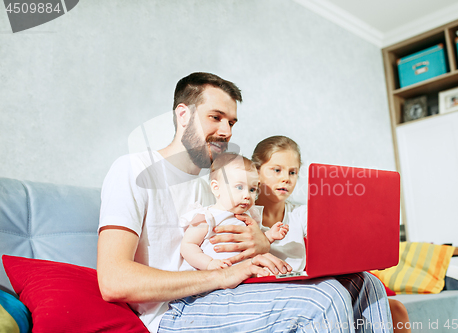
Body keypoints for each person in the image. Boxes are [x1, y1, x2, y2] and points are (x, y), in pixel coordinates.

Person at [97, 72, 392, 332]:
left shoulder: (212, 188)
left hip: (223, 293)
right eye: (215, 117)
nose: (226, 132)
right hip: (174, 310)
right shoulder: (133, 169)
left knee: (366, 285)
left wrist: (260, 250)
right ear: (183, 114)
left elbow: (249, 249)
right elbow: (113, 281)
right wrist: (223, 275)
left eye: (231, 122)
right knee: (326, 298)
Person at [252, 135, 411, 333]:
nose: (286, 178)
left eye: (293, 172)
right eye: (277, 170)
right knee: (331, 294)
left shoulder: (300, 213)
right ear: (256, 172)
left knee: (371, 282)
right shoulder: (246, 214)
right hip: (269, 290)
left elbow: (331, 235)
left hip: (300, 284)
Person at [180, 153, 288, 271]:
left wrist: (269, 236)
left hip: (245, 274)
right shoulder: (207, 216)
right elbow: (188, 245)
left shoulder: (250, 216)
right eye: (239, 187)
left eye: (252, 189)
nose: (247, 195)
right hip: (214, 277)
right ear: (216, 188)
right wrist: (209, 263)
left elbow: (255, 242)